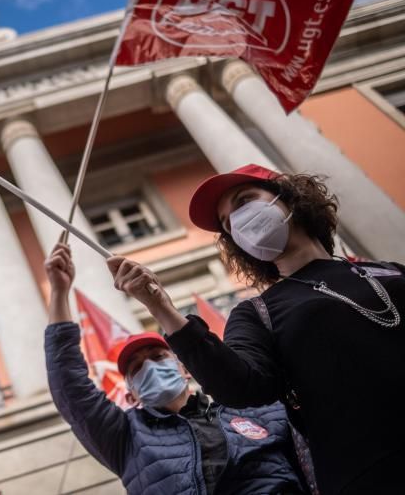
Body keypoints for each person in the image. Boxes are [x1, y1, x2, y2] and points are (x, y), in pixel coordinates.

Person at [106, 164, 405, 495]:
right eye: (226, 223)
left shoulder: (387, 271)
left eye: (244, 200)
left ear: (289, 198)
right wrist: (160, 307)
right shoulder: (256, 314)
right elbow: (238, 386)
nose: (237, 221)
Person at [44, 242, 307, 495]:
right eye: (136, 368)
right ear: (130, 395)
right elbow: (70, 387)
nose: (149, 366)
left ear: (186, 370)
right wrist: (58, 292)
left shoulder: (254, 405)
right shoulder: (123, 438)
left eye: (158, 357)